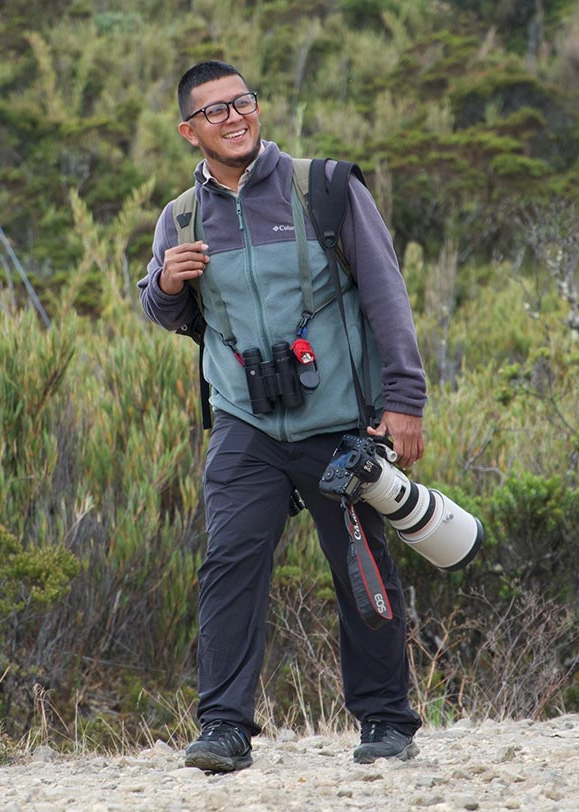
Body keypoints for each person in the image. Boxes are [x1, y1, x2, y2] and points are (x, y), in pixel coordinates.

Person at [138, 60, 427, 773]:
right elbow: (167, 311)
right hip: (244, 422)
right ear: (188, 131)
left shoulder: (324, 187)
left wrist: (405, 401)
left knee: (361, 564)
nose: (234, 117)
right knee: (230, 561)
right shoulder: (180, 217)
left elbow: (386, 295)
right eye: (215, 111)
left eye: (243, 102)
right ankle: (224, 729)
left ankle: (386, 722)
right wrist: (165, 281)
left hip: (338, 419)